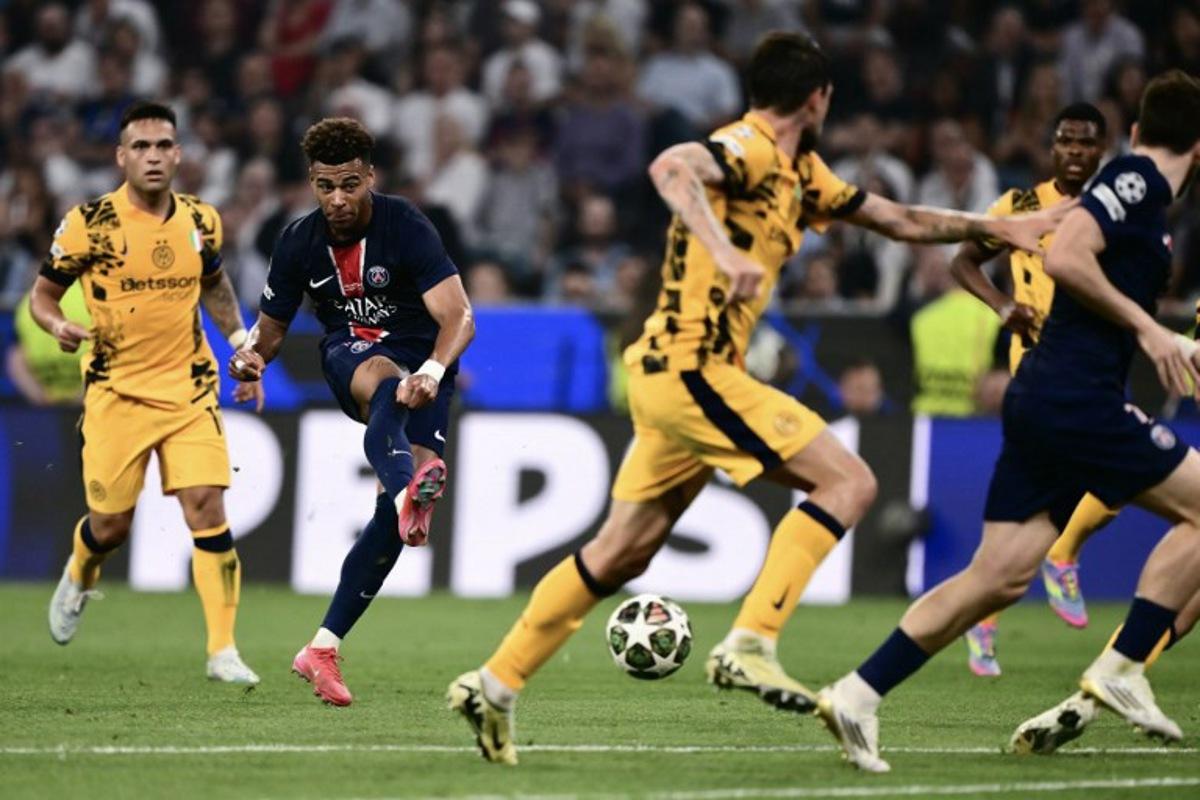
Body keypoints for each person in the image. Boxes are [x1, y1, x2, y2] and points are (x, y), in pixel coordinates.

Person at [445, 32, 1064, 766]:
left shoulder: (802, 172)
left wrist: (998, 229)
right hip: (692, 366)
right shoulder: (751, 146)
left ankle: (496, 682)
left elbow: (898, 219)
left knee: (621, 553)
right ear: (818, 98)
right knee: (850, 480)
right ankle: (751, 641)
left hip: (677, 374)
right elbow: (672, 166)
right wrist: (726, 247)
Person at [816, 70, 1200, 773]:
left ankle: (858, 692)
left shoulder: (1151, 200)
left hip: (1047, 397)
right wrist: (1151, 331)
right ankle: (1122, 666)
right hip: (1074, 397)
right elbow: (1064, 255)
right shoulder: (1138, 181)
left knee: (997, 576)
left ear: (1141, 128)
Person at [227, 118, 474, 707]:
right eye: (324, 186)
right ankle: (403, 491)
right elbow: (270, 333)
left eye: (349, 185)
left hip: (425, 358)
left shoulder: (406, 224)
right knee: (385, 387)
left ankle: (322, 646)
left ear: (370, 177)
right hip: (351, 353)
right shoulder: (298, 241)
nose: (336, 199)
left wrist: (434, 373)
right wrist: (249, 359)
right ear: (311, 183)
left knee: (390, 524)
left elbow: (459, 317)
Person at [32, 101, 262, 684]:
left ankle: (222, 650)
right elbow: (42, 295)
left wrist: (239, 337)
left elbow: (213, 281)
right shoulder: (90, 223)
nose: (153, 157)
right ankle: (82, 571)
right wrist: (58, 324)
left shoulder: (201, 220)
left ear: (179, 154)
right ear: (121, 156)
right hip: (116, 392)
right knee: (110, 526)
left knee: (206, 506)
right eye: (141, 147)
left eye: (163, 146)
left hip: (190, 388)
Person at [949, 103, 1108, 676]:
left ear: (1102, 149)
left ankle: (982, 612)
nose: (1074, 151)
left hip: (1091, 367)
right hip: (1038, 372)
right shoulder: (1020, 207)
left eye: (1086, 143)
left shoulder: (1113, 209)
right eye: (1065, 140)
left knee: (1029, 507)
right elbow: (963, 261)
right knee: (1123, 466)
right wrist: (1002, 306)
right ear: (1052, 146)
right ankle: (1060, 558)